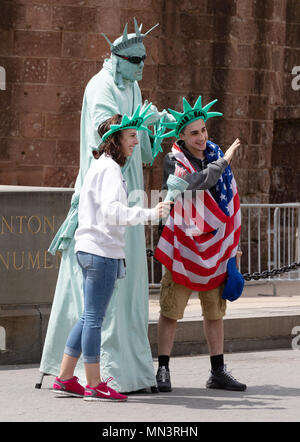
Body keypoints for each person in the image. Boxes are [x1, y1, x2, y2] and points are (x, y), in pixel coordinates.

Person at [39, 18, 172, 393]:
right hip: (105, 215)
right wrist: (150, 211)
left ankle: (79, 375)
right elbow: (106, 128)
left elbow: (138, 141)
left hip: (120, 206)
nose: (142, 65)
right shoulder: (101, 87)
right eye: (135, 59)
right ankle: (98, 378)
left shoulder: (132, 86)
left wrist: (154, 126)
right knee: (96, 310)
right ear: (116, 58)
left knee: (104, 304)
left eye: (144, 59)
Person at [52, 113, 172, 401]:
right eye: (131, 135)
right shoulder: (109, 170)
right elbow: (112, 212)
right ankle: (94, 383)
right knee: (94, 318)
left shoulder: (102, 166)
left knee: (88, 317)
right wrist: (149, 213)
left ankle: (66, 378)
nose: (136, 140)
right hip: (100, 251)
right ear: (115, 139)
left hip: (92, 249)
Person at [154, 96, 247, 392]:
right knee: (170, 310)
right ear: (181, 136)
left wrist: (233, 243)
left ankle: (217, 371)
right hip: (183, 246)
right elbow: (197, 182)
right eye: (194, 133)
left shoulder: (214, 154)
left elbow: (229, 200)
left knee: (215, 312)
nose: (201, 137)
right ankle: (163, 369)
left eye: (204, 130)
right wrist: (225, 160)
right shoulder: (173, 161)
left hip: (217, 247)